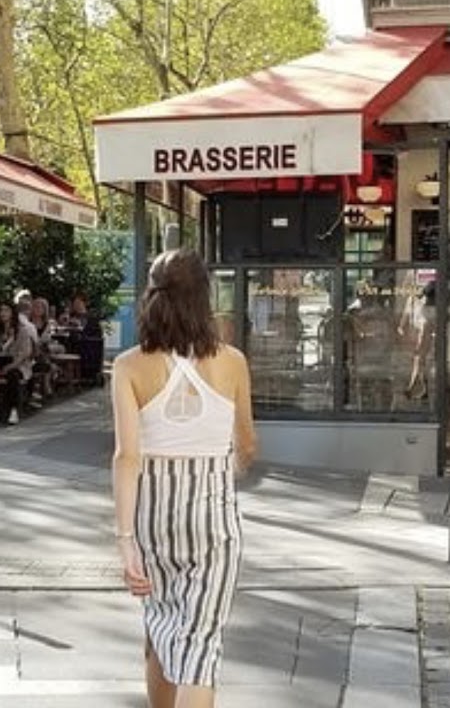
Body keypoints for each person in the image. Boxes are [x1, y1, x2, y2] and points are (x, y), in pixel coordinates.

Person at [111, 248, 257, 708]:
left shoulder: (130, 365)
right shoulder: (232, 361)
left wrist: (125, 538)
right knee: (200, 647)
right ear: (204, 298)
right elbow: (248, 445)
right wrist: (224, 467)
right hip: (212, 517)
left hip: (154, 517)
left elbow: (126, 456)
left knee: (160, 624)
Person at [0, 301, 33, 425]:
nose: (3, 313)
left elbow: (25, 353)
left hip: (17, 364)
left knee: (13, 375)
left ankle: (13, 409)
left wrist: (11, 365)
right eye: (1, 310)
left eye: (6, 310)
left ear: (13, 313)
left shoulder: (22, 331)